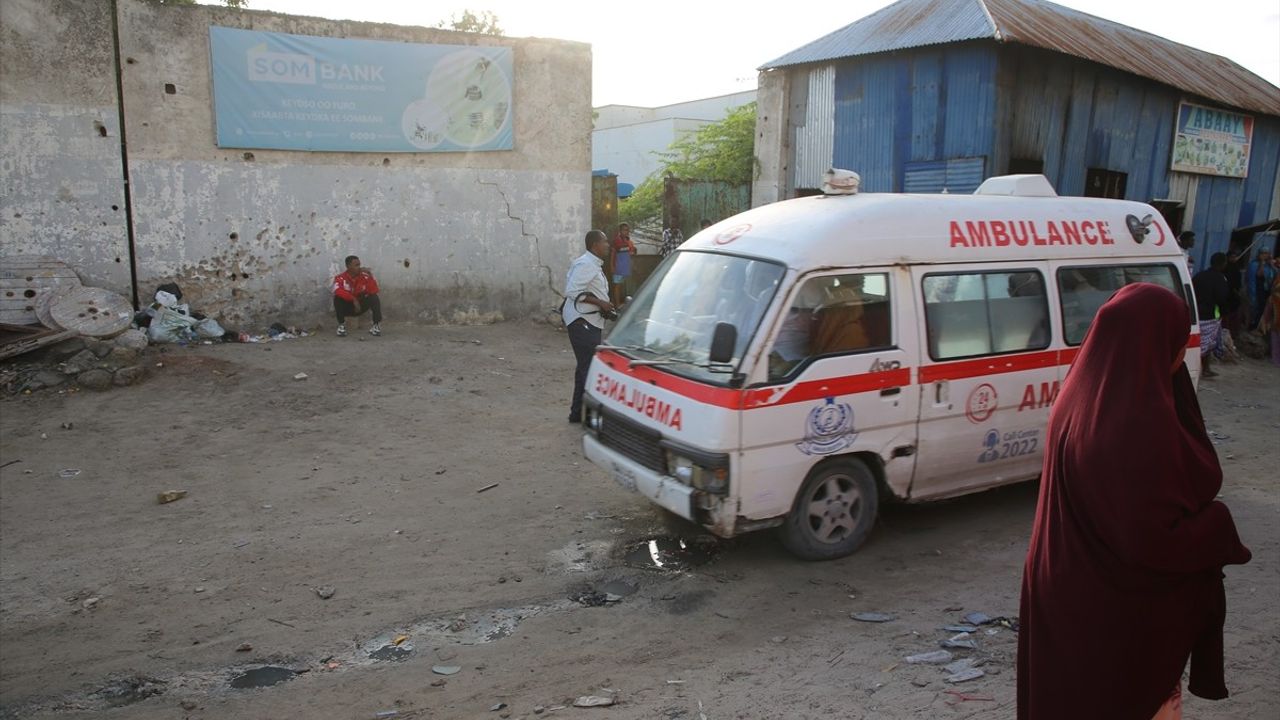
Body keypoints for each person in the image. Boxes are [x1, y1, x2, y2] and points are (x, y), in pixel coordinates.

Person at [1017, 283, 1251, 720]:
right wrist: (1219, 525)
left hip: (1063, 587)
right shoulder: (1136, 424)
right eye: (1178, 343)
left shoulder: (1082, 394)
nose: (1182, 356)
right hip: (1113, 610)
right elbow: (1151, 541)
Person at [563, 230, 614, 424]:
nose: (608, 245)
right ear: (595, 245)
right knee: (590, 369)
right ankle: (591, 417)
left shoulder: (593, 264)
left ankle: (577, 414)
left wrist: (604, 304)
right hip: (581, 321)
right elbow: (571, 291)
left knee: (584, 367)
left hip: (590, 321)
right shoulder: (586, 264)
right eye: (605, 242)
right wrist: (600, 303)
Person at [1192, 253, 1230, 377]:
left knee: (1200, 342)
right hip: (1210, 315)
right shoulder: (1220, 279)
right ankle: (1203, 369)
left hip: (1196, 313)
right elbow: (1222, 298)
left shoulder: (1199, 275)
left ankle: (1201, 368)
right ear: (1223, 263)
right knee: (1208, 343)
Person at [332, 255, 382, 337]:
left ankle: (376, 326)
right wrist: (353, 299)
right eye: (356, 265)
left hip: (360, 307)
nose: (359, 267)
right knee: (337, 299)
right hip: (348, 307)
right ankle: (341, 326)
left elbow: (374, 290)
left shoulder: (364, 276)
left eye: (359, 264)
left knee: (374, 297)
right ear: (348, 266)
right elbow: (337, 290)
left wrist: (369, 275)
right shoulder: (340, 278)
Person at [1246, 247, 1277, 329]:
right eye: (1263, 253)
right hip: (1256, 290)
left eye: (1267, 253)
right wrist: (1262, 263)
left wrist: (1272, 266)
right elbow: (1254, 279)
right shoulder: (1254, 264)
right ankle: (1252, 326)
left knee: (1264, 310)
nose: (1265, 255)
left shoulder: (1269, 266)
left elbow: (1275, 276)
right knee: (1255, 309)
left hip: (1267, 291)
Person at [610, 223, 636, 305]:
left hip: (626, 267)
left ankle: (623, 303)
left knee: (623, 286)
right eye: (625, 230)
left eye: (628, 230)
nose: (627, 232)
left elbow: (631, 253)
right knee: (617, 286)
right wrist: (612, 266)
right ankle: (617, 305)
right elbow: (612, 254)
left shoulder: (629, 241)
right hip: (618, 267)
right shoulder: (616, 241)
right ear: (620, 231)